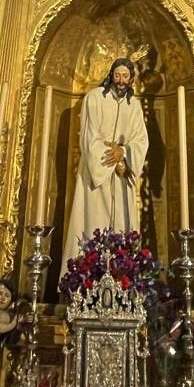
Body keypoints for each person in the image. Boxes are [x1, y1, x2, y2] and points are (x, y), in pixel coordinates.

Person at [65, 50, 150, 251]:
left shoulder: (134, 106)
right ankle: (88, 273)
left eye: (125, 76)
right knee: (94, 220)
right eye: (117, 75)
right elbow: (88, 135)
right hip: (97, 171)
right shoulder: (93, 98)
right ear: (111, 75)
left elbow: (141, 139)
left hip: (122, 173)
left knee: (121, 225)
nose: (121, 80)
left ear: (131, 79)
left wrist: (124, 153)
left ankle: (123, 274)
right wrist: (108, 158)